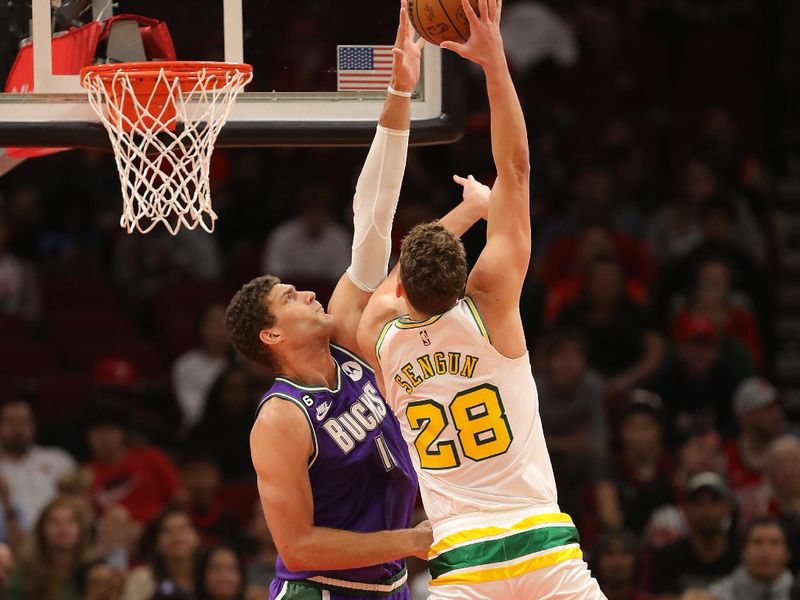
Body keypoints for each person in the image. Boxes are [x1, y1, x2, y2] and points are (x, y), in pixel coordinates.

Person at [357, 0, 605, 596]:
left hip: (461, 558)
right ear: (465, 274)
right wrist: (494, 61)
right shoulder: (491, 304)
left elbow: (389, 277)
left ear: (403, 289)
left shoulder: (379, 333)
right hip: (545, 546)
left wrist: (463, 212)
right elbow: (515, 169)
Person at [224, 4, 432, 598]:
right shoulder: (281, 419)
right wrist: (413, 541)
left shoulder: (345, 339)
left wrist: (398, 89)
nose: (309, 291)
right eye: (290, 295)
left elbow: (373, 219)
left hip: (385, 586)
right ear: (272, 335)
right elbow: (298, 546)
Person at [649, 472, 738, 599]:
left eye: (714, 502)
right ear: (686, 510)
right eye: (698, 503)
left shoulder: (742, 556)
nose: (707, 511)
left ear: (727, 507)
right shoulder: (667, 557)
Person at [0, 397, 76, 529]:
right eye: (11, 422)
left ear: (34, 426)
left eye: (24, 421)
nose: (18, 428)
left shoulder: (58, 460)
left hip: (54, 538)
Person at [5, 495, 90, 600]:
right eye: (54, 521)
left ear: (81, 529)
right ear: (41, 530)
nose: (63, 527)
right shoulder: (25, 576)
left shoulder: (92, 574)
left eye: (71, 521)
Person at [172, 303, 232, 432]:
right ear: (200, 328)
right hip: (202, 432)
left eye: (225, 323)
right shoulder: (186, 365)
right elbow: (192, 410)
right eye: (213, 323)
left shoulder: (245, 363)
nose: (219, 330)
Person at [122, 507, 200, 600]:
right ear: (157, 544)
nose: (176, 535)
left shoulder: (210, 576)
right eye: (167, 531)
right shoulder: (141, 579)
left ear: (197, 538)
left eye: (182, 528)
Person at [708, 517, 793, 600]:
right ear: (743, 551)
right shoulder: (716, 596)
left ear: (787, 553)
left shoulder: (796, 591)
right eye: (757, 542)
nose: (765, 551)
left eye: (774, 543)